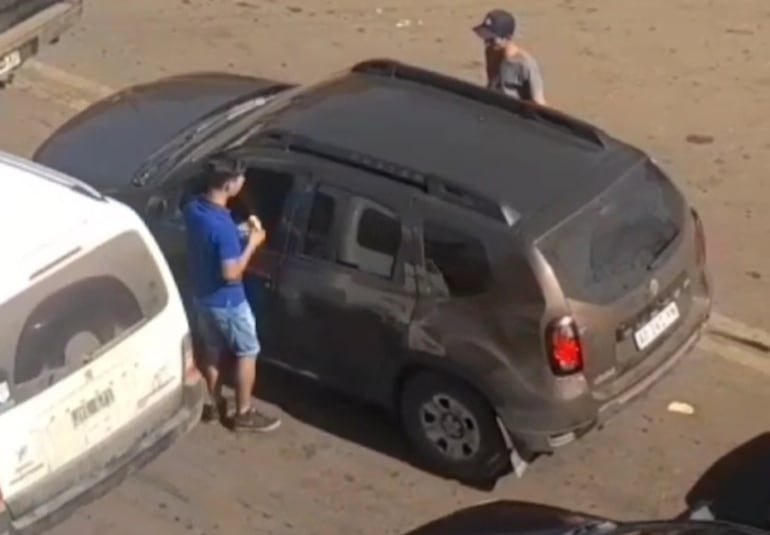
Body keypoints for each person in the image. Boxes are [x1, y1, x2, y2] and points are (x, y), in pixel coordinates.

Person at [183, 157, 280, 432]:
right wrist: (252, 243)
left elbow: (211, 241)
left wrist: (239, 231)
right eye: (239, 178)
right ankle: (243, 413)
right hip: (229, 303)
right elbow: (231, 272)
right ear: (228, 184)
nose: (243, 182)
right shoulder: (223, 228)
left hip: (202, 297)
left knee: (212, 350)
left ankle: (212, 405)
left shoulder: (194, 208)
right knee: (247, 351)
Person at [473, 9, 547, 106]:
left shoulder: (525, 64)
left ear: (507, 37)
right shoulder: (490, 52)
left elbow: (538, 102)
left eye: (491, 39)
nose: (486, 43)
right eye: (485, 38)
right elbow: (492, 85)